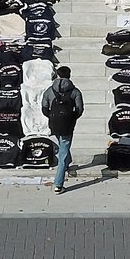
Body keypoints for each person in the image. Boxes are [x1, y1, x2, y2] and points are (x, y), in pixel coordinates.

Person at [41, 66, 84, 194]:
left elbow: (44, 108)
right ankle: (58, 184)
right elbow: (80, 109)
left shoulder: (49, 90)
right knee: (63, 152)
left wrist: (51, 116)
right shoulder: (75, 91)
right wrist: (72, 118)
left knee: (62, 144)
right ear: (69, 75)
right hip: (67, 124)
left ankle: (67, 162)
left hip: (54, 123)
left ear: (57, 75)